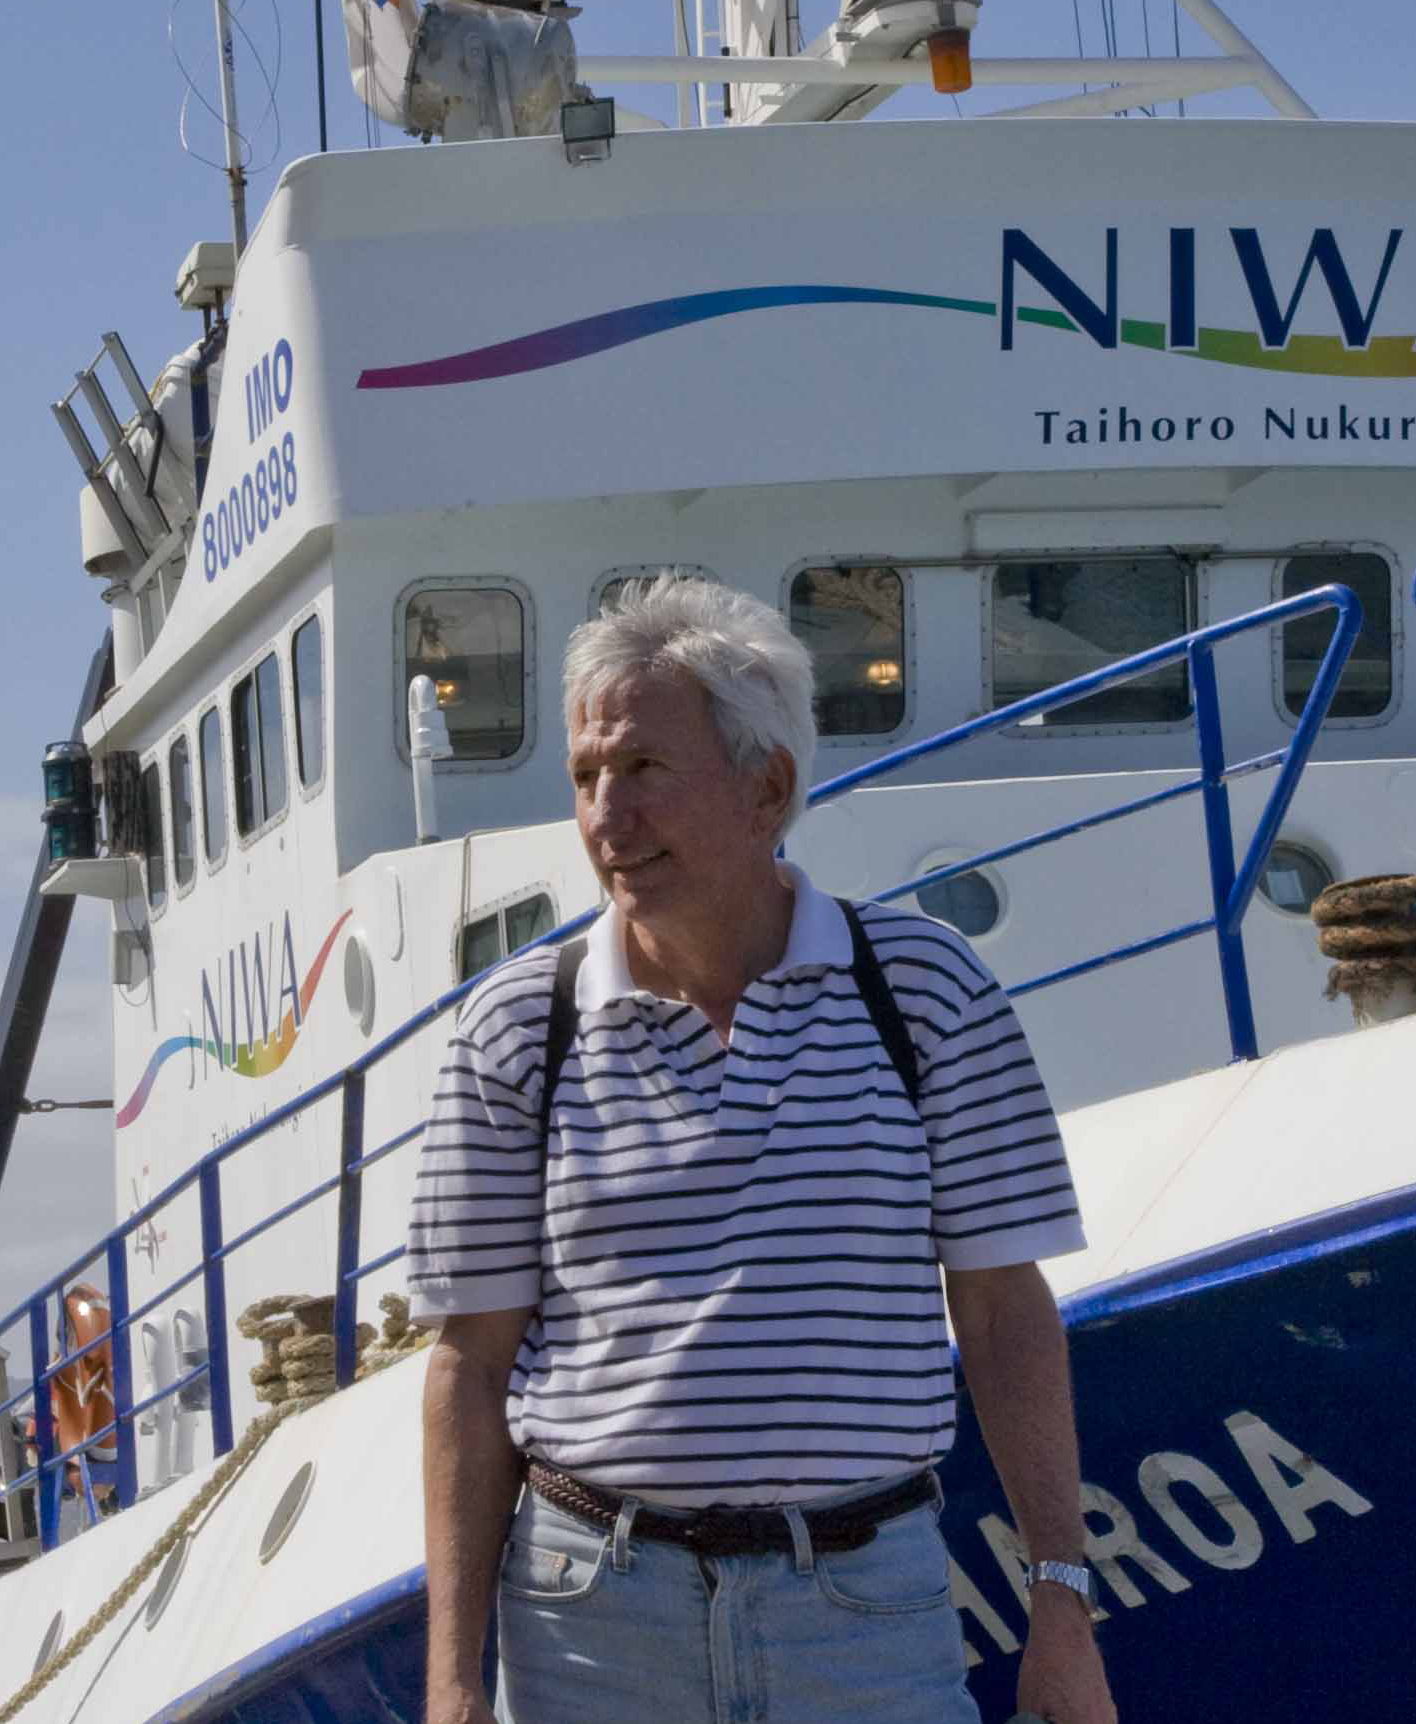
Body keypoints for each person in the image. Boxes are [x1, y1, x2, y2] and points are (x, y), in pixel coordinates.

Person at [407, 576, 1115, 1724]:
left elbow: (1000, 1311)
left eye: (641, 770)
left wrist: (1062, 1600)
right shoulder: (514, 1028)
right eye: (586, 777)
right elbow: (468, 1366)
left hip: (863, 1617)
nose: (604, 816)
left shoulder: (927, 992)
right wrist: (450, 1683)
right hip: (590, 1623)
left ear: (766, 786)